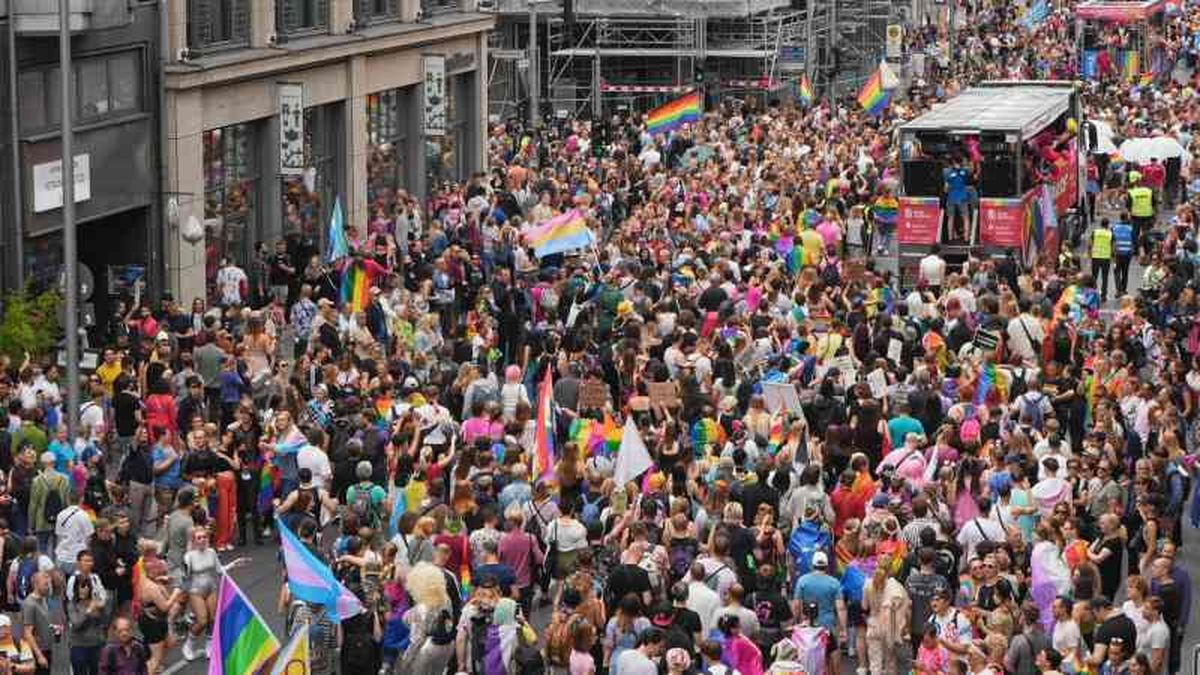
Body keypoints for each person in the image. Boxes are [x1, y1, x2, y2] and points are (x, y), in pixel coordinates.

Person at [19, 572, 53, 675]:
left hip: (47, 649)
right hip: (37, 651)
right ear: (35, 584)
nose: (48, 587)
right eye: (45, 584)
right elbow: (27, 633)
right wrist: (39, 656)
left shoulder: (43, 599)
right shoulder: (29, 604)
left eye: (49, 584)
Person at [1089, 218, 1113, 302]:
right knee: (1105, 277)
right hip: (1106, 258)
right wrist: (1113, 258)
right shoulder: (1110, 233)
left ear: (1101, 224)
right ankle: (1103, 296)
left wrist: (1089, 255)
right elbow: (1113, 247)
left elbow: (1090, 244)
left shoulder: (1095, 232)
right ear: (1107, 224)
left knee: (1094, 277)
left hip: (1095, 257)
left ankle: (1092, 294)